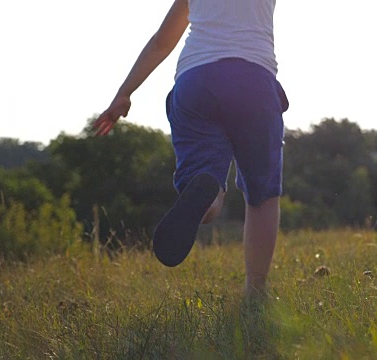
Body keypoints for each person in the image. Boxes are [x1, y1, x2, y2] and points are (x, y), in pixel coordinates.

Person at [94, 0, 288, 297]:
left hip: (196, 81)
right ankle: (255, 290)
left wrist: (124, 93)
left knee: (204, 180)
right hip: (253, 82)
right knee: (261, 195)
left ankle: (208, 199)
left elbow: (161, 42)